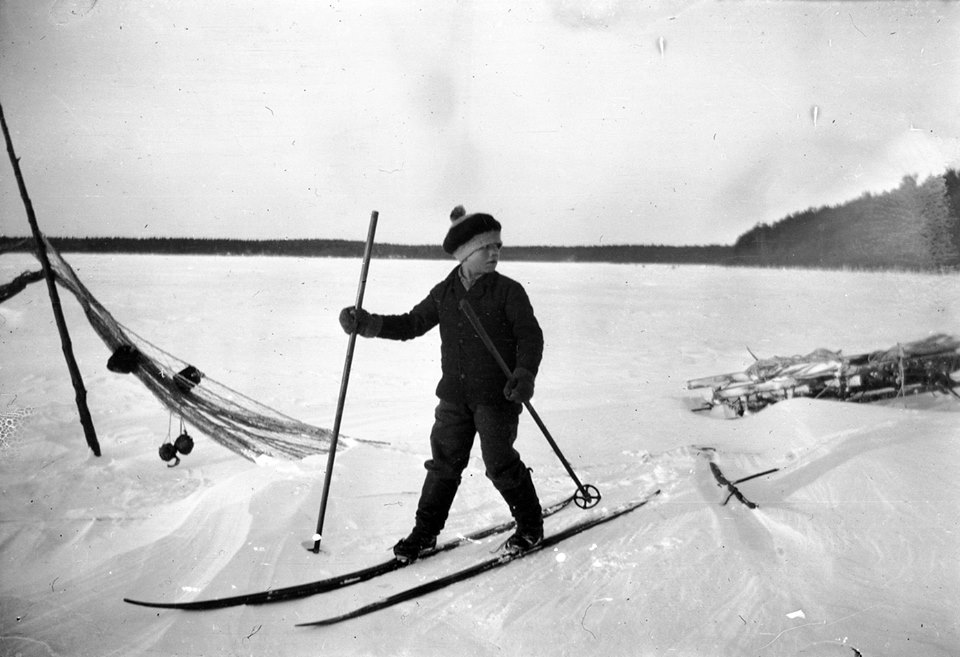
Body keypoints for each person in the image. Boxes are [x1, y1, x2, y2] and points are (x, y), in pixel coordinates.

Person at [338, 205, 545, 561]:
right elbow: (411, 324)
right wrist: (368, 324)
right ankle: (425, 534)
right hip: (454, 397)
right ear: (465, 253)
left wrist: (524, 375)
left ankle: (530, 527)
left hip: (497, 396)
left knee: (499, 464)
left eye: (498, 246)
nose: (495, 253)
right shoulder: (445, 292)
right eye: (486, 248)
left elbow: (531, 339)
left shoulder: (509, 292)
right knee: (444, 465)